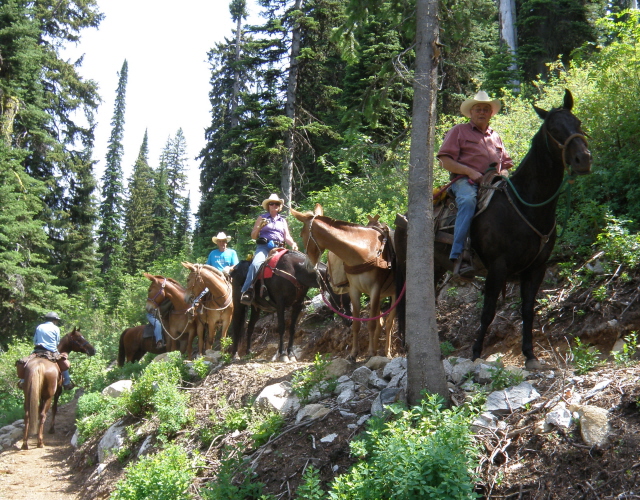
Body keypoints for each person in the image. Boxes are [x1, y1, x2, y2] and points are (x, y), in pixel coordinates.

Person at [437, 90, 513, 277]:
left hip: (493, 182)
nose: (481, 112)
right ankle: (459, 254)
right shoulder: (458, 131)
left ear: (490, 114)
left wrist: (503, 174)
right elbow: (445, 161)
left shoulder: (495, 136)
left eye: (485, 109)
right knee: (468, 201)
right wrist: (470, 171)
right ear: (471, 112)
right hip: (464, 180)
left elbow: (506, 164)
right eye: (478, 109)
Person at [240, 194, 298, 305]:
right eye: (272, 203)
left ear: (279, 206)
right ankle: (247, 290)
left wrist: (293, 243)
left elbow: (287, 236)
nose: (274, 205)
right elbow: (253, 236)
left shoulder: (283, 221)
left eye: (277, 203)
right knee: (256, 264)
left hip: (280, 247)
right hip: (264, 247)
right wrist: (259, 227)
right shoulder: (262, 217)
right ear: (268, 206)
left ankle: (296, 294)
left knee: (292, 266)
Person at [28, 312, 74, 390]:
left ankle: (23, 380)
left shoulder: (39, 327)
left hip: (38, 350)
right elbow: (57, 342)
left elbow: (35, 340)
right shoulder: (56, 328)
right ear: (54, 320)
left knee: (27, 361)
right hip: (51, 351)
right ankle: (66, 382)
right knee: (63, 363)